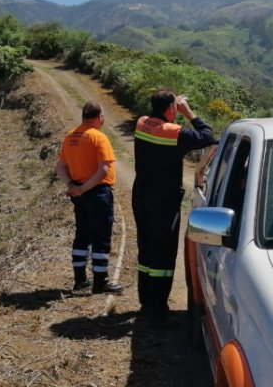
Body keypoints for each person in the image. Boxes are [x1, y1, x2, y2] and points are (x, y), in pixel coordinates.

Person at [132, 88, 217, 327]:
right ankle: (158, 309)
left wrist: (172, 107)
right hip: (164, 200)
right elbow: (208, 136)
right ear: (171, 109)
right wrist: (188, 112)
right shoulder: (174, 133)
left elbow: (157, 122)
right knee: (163, 253)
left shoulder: (141, 123)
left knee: (146, 247)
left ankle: (146, 302)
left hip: (141, 194)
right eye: (175, 107)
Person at [55, 101, 123, 295]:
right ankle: (100, 282)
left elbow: (60, 167)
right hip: (97, 193)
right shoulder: (99, 138)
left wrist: (73, 187)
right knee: (101, 237)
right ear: (99, 117)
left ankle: (79, 280)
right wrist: (84, 188)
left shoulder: (70, 136)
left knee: (82, 234)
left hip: (79, 195)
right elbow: (104, 170)